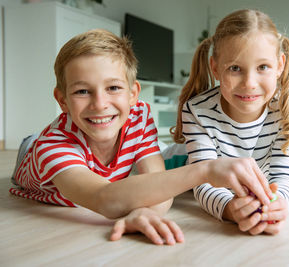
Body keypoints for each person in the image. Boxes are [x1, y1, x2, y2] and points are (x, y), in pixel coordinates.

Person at [9, 29, 274, 245]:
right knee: (36, 144)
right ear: (61, 99)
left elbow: (158, 185)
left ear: (134, 94)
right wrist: (205, 169)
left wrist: (143, 212)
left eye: (113, 88)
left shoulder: (137, 115)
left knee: (157, 163)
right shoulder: (51, 146)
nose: (100, 104)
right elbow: (104, 198)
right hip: (33, 151)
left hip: (104, 155)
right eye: (82, 92)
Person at [172, 9, 289, 235]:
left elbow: (285, 177)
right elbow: (201, 180)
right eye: (235, 68)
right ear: (215, 68)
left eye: (263, 67)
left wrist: (276, 206)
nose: (250, 83)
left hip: (240, 178)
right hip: (179, 160)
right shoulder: (197, 111)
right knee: (144, 174)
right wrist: (230, 209)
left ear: (279, 66)